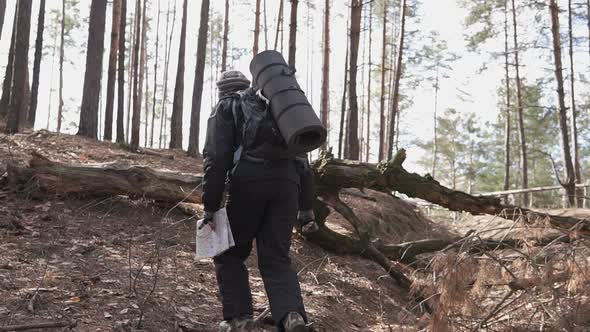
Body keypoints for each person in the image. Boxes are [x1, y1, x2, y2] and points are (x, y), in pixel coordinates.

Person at [201, 70, 310, 332]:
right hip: (288, 185)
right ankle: (291, 316)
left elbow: (216, 159)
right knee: (277, 256)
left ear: (221, 90)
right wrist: (307, 208)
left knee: (230, 252)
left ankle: (240, 319)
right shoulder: (277, 110)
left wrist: (211, 206)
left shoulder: (226, 107)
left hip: (249, 181)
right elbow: (304, 162)